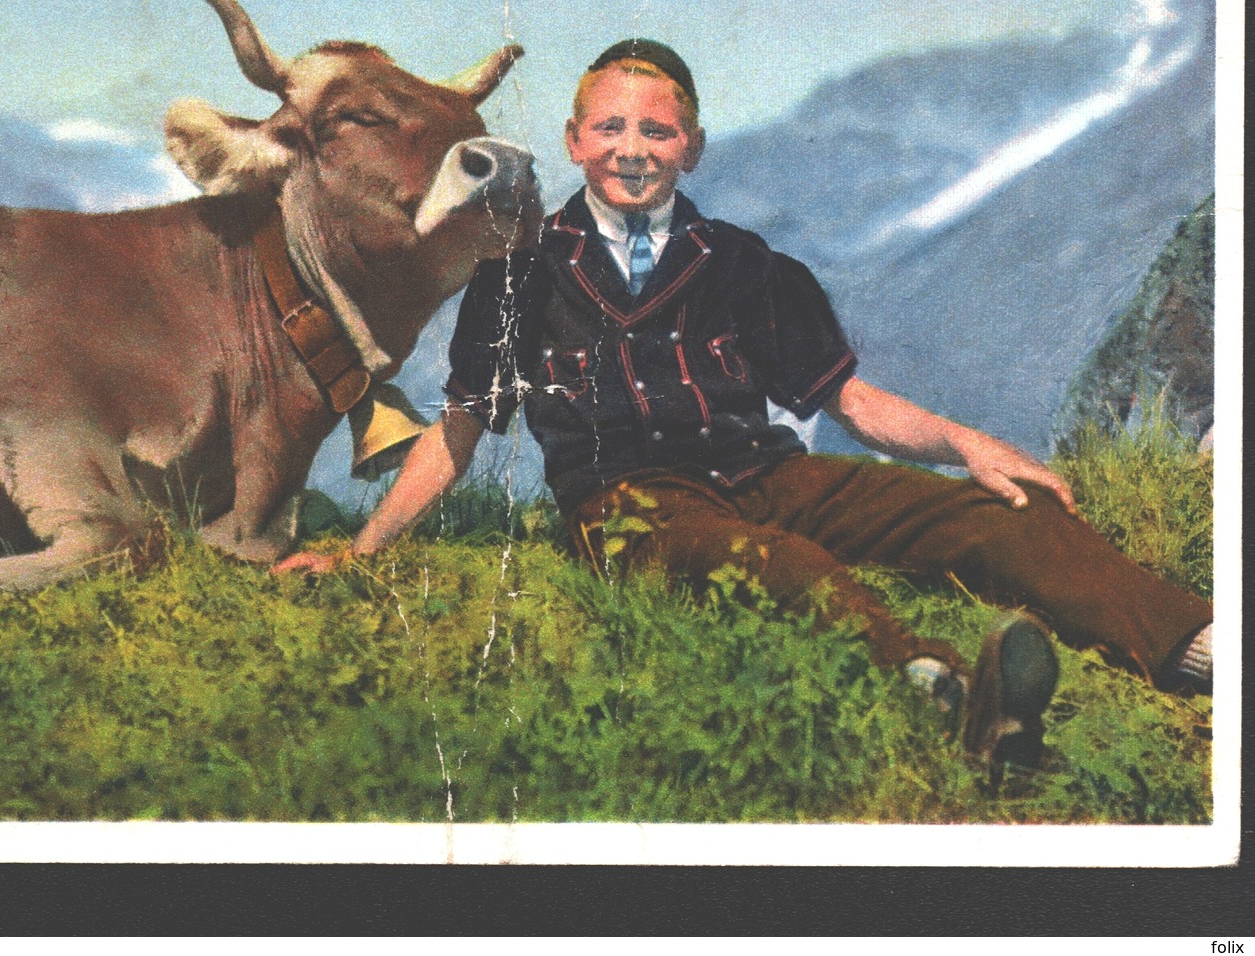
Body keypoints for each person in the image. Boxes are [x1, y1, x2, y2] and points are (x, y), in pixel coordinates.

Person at [277, 39, 1214, 771]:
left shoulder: (747, 264)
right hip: (630, 503)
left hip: (769, 471)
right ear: (574, 142)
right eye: (609, 129)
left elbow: (847, 399)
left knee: (996, 510)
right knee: (769, 565)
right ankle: (946, 691)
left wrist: (969, 444)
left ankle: (1198, 650)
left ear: (690, 146)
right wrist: (364, 553)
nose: (632, 151)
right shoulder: (518, 275)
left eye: (657, 131)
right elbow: (461, 427)